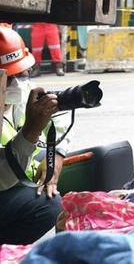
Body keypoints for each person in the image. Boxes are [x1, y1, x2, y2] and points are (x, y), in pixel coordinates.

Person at [0, 27, 64, 244]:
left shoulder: (21, 89)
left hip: (15, 174)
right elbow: (3, 179)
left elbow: (59, 116)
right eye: (9, 78)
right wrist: (31, 131)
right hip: (5, 181)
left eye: (22, 74)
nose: (18, 84)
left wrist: (56, 158)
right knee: (49, 205)